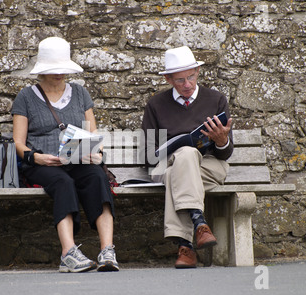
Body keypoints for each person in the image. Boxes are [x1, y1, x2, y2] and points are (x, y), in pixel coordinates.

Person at [12, 37, 119, 273]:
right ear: (42, 70)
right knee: (63, 182)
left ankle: (107, 250)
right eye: (53, 70)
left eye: (62, 69)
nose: (59, 74)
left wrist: (95, 152)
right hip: (43, 163)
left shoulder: (80, 93)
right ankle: (68, 252)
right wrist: (37, 157)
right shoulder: (26, 97)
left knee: (97, 178)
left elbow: (92, 132)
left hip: (76, 159)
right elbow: (19, 142)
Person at [142, 46, 234, 268]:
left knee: (182, 167)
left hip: (210, 165)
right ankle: (199, 224)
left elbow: (226, 153)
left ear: (197, 71)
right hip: (165, 165)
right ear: (168, 79)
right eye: (180, 80)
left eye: (191, 77)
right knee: (184, 155)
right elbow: (148, 155)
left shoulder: (216, 99)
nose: (187, 85)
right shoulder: (156, 104)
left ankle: (186, 246)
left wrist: (221, 140)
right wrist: (171, 151)